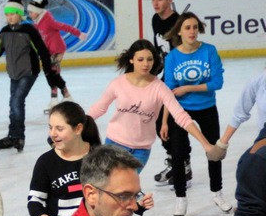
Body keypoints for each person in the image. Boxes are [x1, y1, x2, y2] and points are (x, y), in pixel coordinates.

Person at [87, 39, 213, 171]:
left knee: (127, 186)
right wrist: (78, 124)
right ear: (132, 60)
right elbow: (100, 108)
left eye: (149, 59)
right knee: (110, 185)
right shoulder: (118, 83)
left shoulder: (160, 88)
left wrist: (206, 144)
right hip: (114, 144)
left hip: (141, 150)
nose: (145, 64)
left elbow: (181, 116)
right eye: (140, 59)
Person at [163, 11, 230, 216]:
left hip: (207, 108)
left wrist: (188, 89)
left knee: (214, 152)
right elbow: (168, 92)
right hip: (181, 110)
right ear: (180, 32)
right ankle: (180, 197)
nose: (192, 31)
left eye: (194, 27)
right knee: (178, 153)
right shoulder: (173, 56)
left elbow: (217, 83)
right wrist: (164, 120)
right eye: (187, 28)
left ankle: (217, 192)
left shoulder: (209, 51)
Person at [0, 0, 52, 152]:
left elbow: (43, 51)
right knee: (14, 104)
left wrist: (49, 72)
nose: (9, 17)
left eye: (12, 14)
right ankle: (13, 136)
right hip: (14, 73)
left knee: (17, 102)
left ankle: (19, 136)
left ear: (20, 14)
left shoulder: (29, 31)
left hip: (29, 72)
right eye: (7, 14)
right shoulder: (5, 32)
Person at [28, 101, 102, 216]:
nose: (53, 133)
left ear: (78, 129)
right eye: (50, 127)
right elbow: (35, 199)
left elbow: (116, 191)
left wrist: (136, 203)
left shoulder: (100, 157)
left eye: (59, 129)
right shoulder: (46, 162)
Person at [144, 0, 187, 187]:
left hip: (180, 78)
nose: (155, 2)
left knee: (173, 121)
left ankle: (183, 166)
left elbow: (186, 53)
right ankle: (175, 160)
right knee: (158, 119)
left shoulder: (180, 22)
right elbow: (158, 50)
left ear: (170, 0)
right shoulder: (155, 19)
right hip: (164, 76)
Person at [26, 0, 86, 113]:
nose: (30, 14)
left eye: (31, 12)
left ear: (38, 12)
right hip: (47, 51)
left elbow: (64, 26)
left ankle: (67, 96)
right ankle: (55, 99)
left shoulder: (48, 21)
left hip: (57, 50)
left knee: (52, 73)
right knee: (49, 74)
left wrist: (78, 34)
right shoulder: (36, 23)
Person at [220, 66, 266, 147]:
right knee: (247, 159)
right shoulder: (256, 82)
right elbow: (239, 114)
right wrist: (222, 144)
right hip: (264, 138)